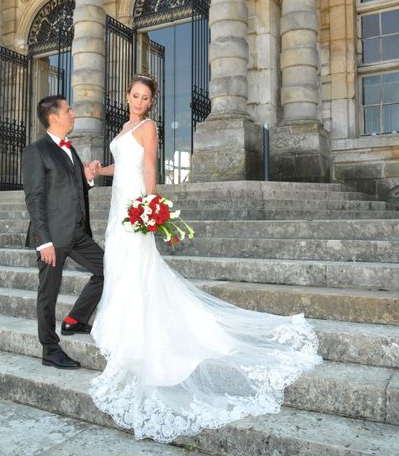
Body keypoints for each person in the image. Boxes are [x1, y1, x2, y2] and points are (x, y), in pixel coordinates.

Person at [89, 74, 323, 443]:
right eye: (134, 95)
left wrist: (149, 206)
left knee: (138, 266)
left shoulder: (148, 127)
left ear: (152, 102)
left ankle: (139, 332)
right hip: (118, 204)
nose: (138, 101)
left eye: (144, 97)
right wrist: (99, 170)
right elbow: (124, 165)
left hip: (136, 204)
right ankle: (124, 328)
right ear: (126, 95)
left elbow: (148, 168)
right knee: (119, 264)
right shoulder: (125, 125)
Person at [22, 95, 104, 370]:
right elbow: (34, 198)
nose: (73, 113)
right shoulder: (37, 151)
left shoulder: (70, 148)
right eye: (69, 109)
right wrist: (42, 241)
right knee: (49, 293)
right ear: (54, 117)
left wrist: (88, 177)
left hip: (77, 233)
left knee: (108, 269)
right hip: (52, 238)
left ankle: (75, 319)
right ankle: (50, 349)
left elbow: (73, 188)